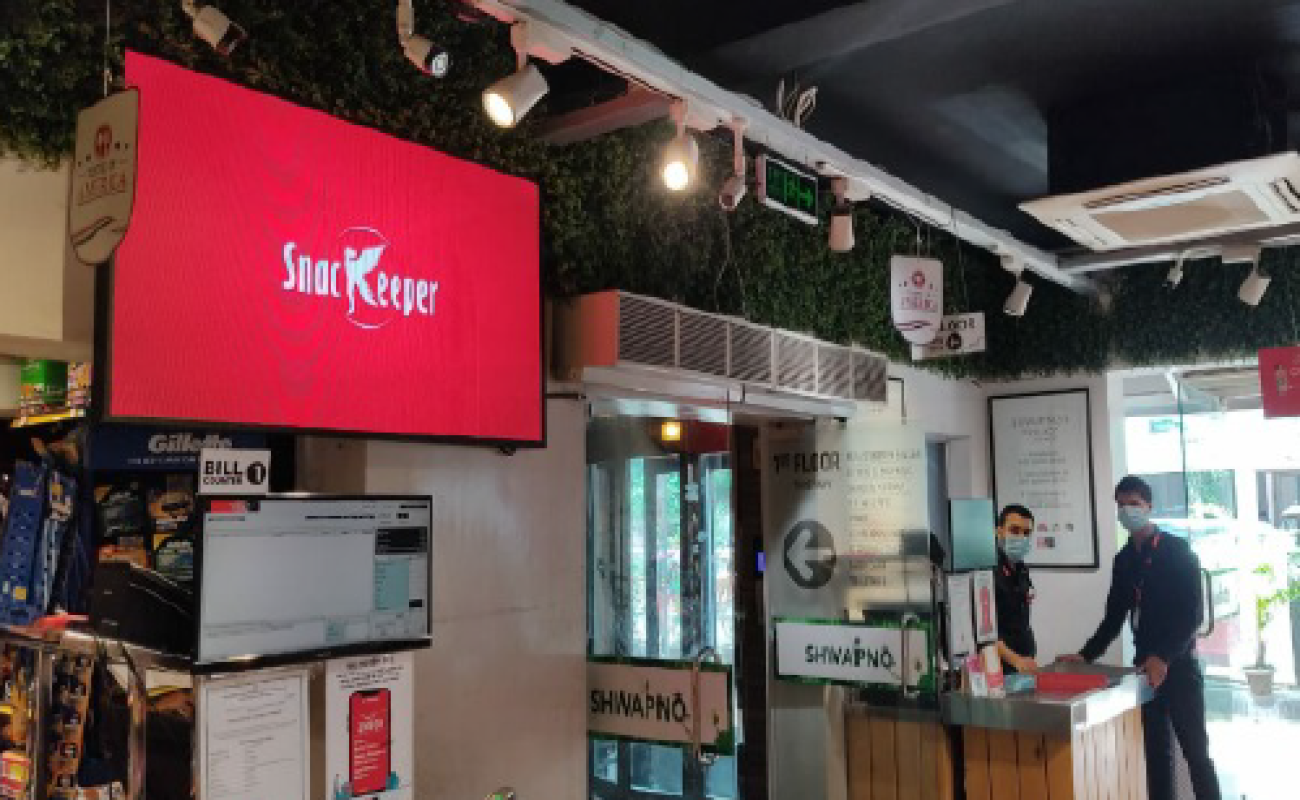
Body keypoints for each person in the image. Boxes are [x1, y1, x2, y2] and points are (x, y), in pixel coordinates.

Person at [1059, 476, 1221, 800]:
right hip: (1144, 671)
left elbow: (1192, 615)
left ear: (1149, 506)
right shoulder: (1124, 560)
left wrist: (1164, 656)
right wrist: (1086, 655)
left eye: (1134, 503)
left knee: (1196, 754)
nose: (1127, 511)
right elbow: (1114, 616)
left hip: (1179, 666)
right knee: (1156, 756)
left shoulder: (1177, 551)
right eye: (1121, 505)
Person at [994, 504, 1039, 675]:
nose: (1021, 537)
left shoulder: (1021, 568)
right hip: (1001, 664)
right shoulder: (989, 570)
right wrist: (1016, 660)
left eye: (1026, 533)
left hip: (1024, 661)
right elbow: (985, 632)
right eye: (1014, 530)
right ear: (999, 532)